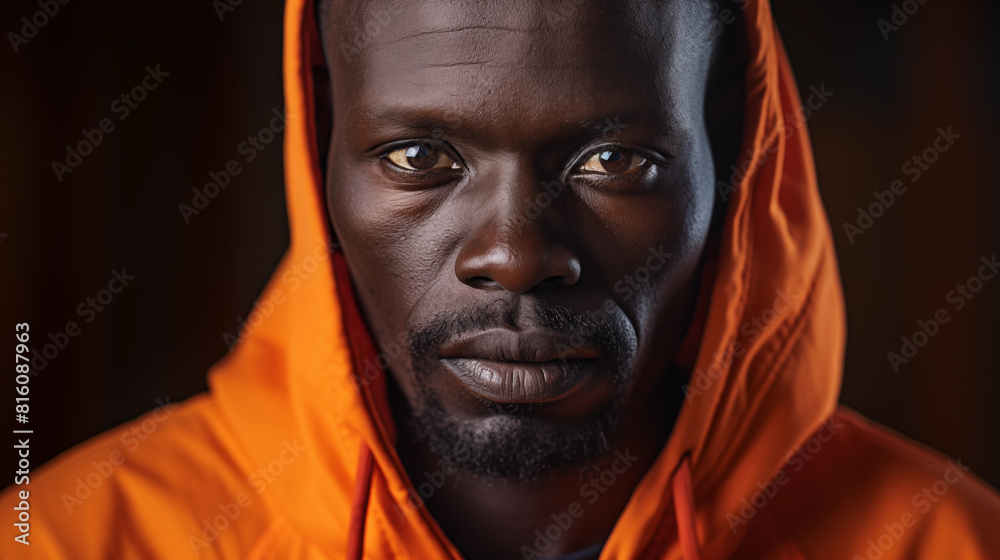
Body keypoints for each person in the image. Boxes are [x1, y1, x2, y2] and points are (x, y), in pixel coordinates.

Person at [3, 0, 998, 558]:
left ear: (736, 163)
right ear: (317, 151)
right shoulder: (76, 540)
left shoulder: (949, 543)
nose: (517, 256)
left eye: (614, 164)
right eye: (418, 159)